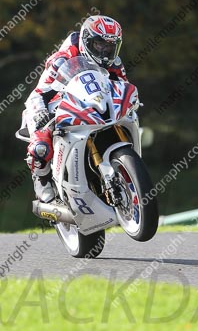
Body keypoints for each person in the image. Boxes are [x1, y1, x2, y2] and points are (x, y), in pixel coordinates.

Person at [24, 15, 127, 202]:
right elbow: (39, 93)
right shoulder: (62, 58)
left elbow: (123, 86)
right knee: (40, 146)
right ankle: (42, 177)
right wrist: (40, 113)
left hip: (95, 106)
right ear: (87, 40)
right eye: (99, 44)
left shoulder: (115, 63)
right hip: (59, 103)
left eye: (111, 46)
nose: (105, 51)